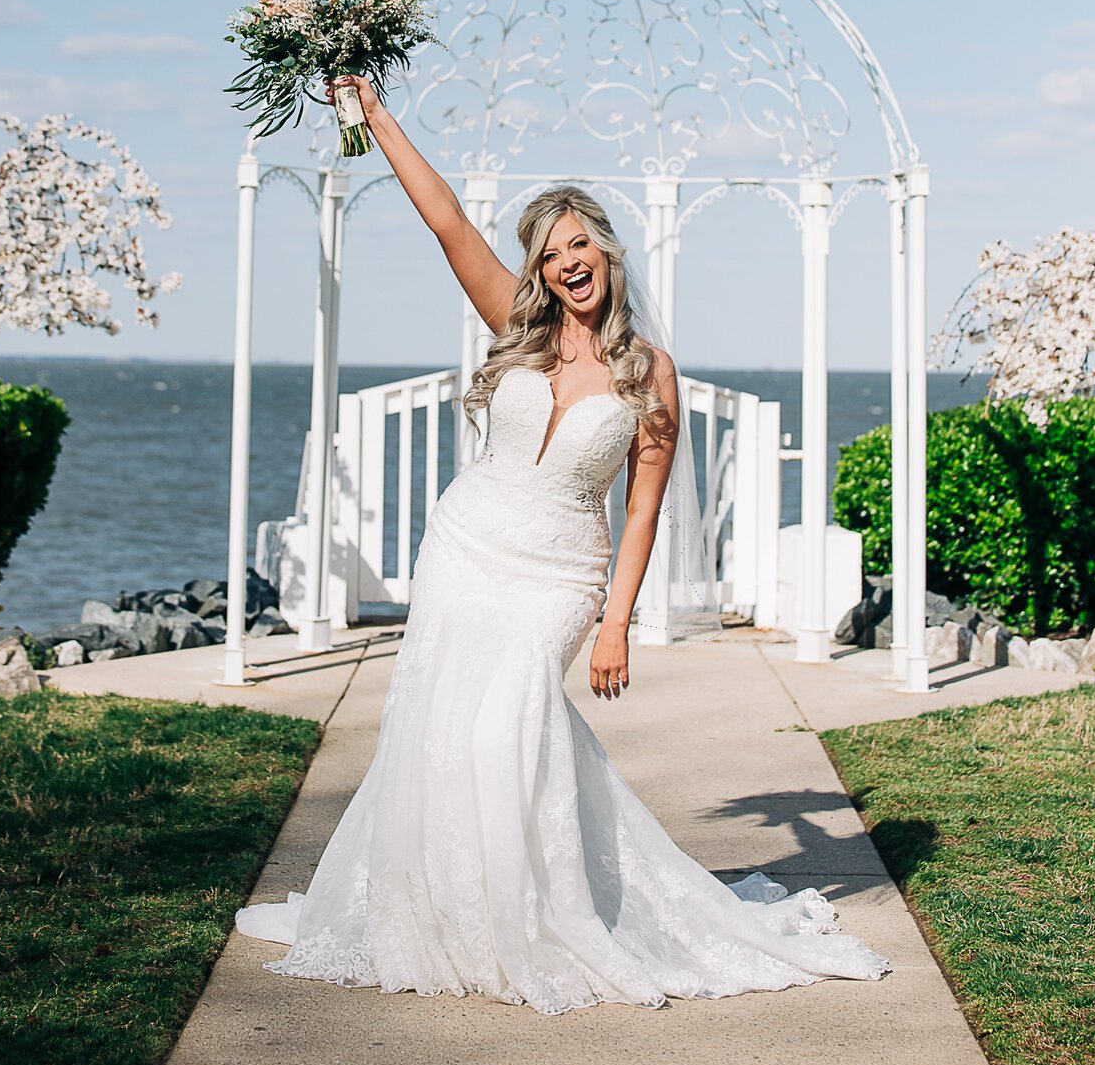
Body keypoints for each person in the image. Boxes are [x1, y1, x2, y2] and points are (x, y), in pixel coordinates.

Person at [235, 78, 887, 1013]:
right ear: (536, 271)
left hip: (557, 576)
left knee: (512, 723)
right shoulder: (517, 326)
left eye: (579, 242)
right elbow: (448, 221)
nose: (567, 262)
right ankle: (443, 904)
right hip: (466, 548)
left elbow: (643, 511)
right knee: (440, 728)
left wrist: (617, 621)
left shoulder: (651, 371)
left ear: (608, 251)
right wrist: (374, 114)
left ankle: (541, 909)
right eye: (549, 252)